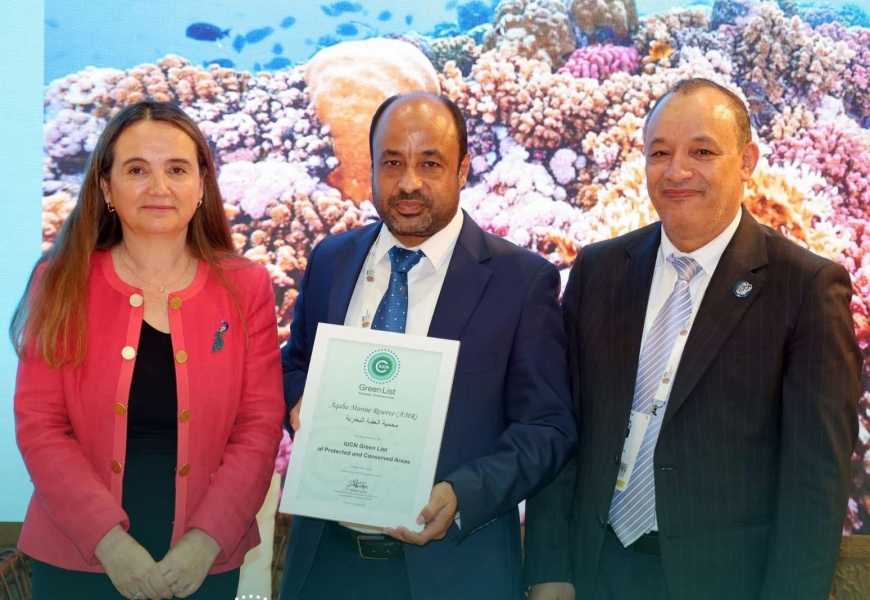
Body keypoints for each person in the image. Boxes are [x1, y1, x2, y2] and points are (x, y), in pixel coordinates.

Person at [524, 77, 862, 600]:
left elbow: (815, 484)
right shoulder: (598, 269)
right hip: (595, 570)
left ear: (747, 161)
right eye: (660, 152)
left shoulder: (807, 287)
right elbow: (561, 426)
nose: (677, 171)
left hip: (724, 581)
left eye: (702, 152)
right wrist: (549, 569)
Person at [279, 92, 577, 600]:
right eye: (392, 162)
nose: (409, 182)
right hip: (325, 562)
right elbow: (295, 363)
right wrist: (298, 401)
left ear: (462, 169)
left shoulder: (522, 281)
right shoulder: (331, 258)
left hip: (455, 571)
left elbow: (548, 428)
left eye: (430, 163)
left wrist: (464, 493)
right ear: (372, 167)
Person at [11, 101, 285, 600]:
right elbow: (41, 426)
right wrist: (109, 543)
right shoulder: (59, 280)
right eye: (137, 170)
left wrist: (207, 541)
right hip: (80, 553)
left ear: (202, 186)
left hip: (201, 562)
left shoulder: (247, 286)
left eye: (177, 169)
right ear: (106, 188)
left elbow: (259, 428)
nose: (159, 187)